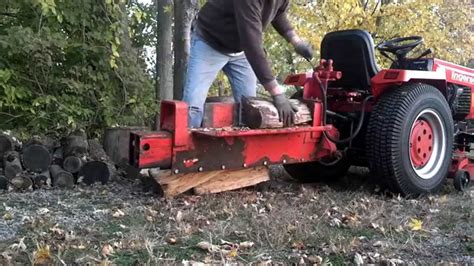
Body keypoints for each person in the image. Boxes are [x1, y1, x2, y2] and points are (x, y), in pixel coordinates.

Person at [183, 0, 313, 128]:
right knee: (193, 105)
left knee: (250, 108)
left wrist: (296, 41)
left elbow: (278, 13)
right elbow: (253, 47)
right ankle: (187, 146)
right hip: (209, 42)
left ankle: (238, 147)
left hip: (240, 52)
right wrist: (277, 93)